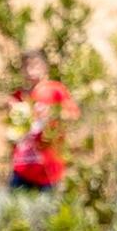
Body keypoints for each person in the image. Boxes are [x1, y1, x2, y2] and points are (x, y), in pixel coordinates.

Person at [8, 50, 77, 193]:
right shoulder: (18, 95)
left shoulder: (55, 90)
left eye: (34, 66)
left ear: (45, 67)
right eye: (26, 67)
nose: (30, 71)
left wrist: (52, 114)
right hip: (22, 166)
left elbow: (72, 115)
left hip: (47, 169)